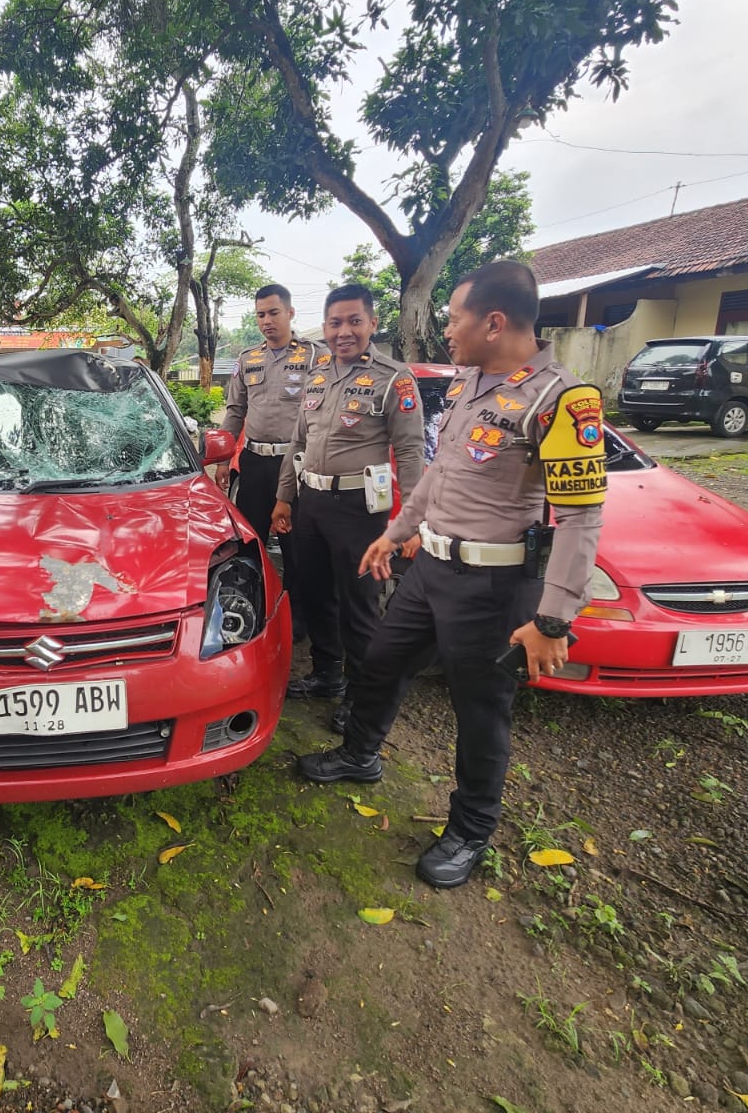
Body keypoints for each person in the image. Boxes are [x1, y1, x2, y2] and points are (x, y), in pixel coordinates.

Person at [296, 260, 607, 891]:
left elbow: (581, 519)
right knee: (382, 660)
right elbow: (437, 474)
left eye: (454, 317)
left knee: (480, 710)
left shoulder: (561, 400)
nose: (446, 328)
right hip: (431, 568)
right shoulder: (471, 384)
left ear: (493, 322)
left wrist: (552, 620)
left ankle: (470, 830)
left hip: (493, 586)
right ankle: (360, 754)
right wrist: (396, 532)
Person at [272, 284, 425, 729]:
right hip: (312, 503)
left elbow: (410, 451)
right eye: (335, 323)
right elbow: (298, 442)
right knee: (316, 592)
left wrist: (411, 521)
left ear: (372, 323)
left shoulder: (394, 378)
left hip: (359, 510)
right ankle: (327, 675)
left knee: (359, 605)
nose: (344, 332)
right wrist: (284, 497)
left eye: (354, 321)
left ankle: (361, 698)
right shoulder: (318, 375)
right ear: (324, 327)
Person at [216, 284, 323, 641]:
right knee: (251, 543)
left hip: (295, 464)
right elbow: (235, 411)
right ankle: (251, 613)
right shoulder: (248, 359)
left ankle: (297, 620)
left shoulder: (314, 356)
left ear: (290, 313)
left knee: (297, 548)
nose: (267, 321)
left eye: (274, 313)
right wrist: (222, 456)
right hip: (254, 463)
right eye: (261, 314)